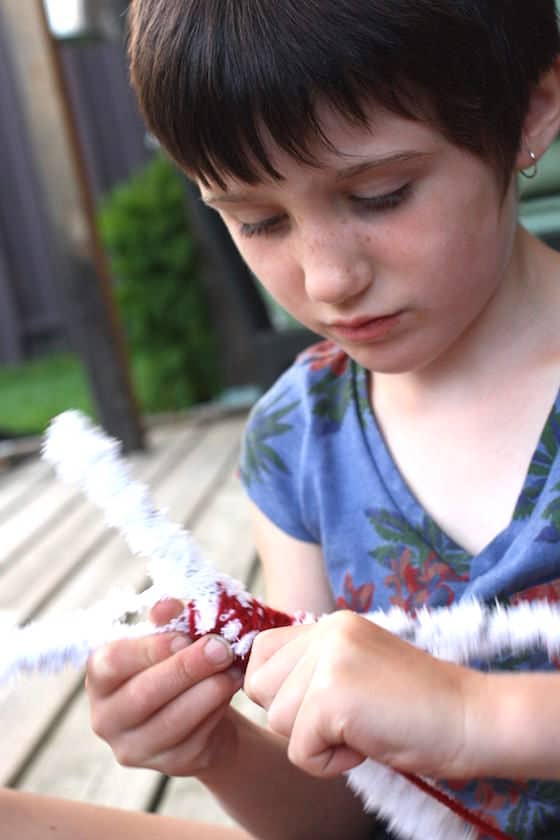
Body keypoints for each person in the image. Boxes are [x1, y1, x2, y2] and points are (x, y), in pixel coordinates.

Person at [4, 1, 560, 837]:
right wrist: (212, 746)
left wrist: (470, 712)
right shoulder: (297, 440)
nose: (327, 277)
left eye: (380, 194)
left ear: (531, 114)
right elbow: (345, 817)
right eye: (257, 220)